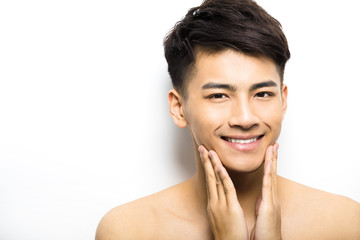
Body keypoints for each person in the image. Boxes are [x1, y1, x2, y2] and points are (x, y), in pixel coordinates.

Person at [95, 0, 360, 239]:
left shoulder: (345, 223)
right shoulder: (128, 230)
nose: (245, 118)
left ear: (283, 100)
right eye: (219, 95)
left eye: (263, 93)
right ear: (178, 108)